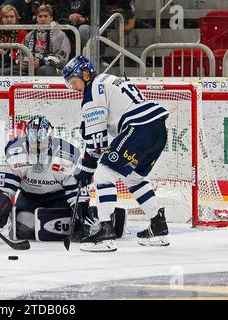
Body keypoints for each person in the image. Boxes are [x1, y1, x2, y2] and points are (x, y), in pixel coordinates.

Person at [62, 55, 170, 252]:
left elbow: (97, 145)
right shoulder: (106, 79)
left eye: (73, 82)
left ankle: (105, 232)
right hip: (158, 130)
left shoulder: (92, 94)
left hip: (140, 128)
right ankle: (158, 225)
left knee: (104, 173)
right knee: (134, 179)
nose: (74, 88)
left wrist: (84, 171)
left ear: (85, 74)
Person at [0, 116, 93, 242]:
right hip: (29, 196)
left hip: (59, 197)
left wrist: (80, 210)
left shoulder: (67, 154)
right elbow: (5, 187)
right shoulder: (16, 152)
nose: (38, 146)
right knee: (23, 228)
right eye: (34, 142)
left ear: (50, 138)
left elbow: (76, 189)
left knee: (59, 225)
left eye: (42, 141)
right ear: (27, 139)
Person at [5, 4, 71, 76]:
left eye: (45, 16)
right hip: (29, 68)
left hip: (52, 68)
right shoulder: (29, 35)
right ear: (36, 18)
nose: (43, 19)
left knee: (42, 71)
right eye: (40, 16)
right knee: (5, 72)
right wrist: (21, 62)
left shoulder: (60, 35)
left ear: (51, 18)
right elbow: (19, 54)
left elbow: (63, 59)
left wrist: (41, 62)